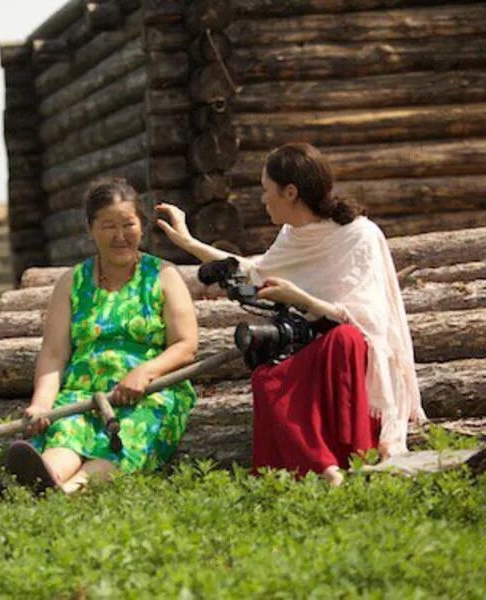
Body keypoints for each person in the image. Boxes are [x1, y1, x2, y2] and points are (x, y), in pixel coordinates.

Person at [156, 142, 425, 486]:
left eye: (267, 191)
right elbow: (254, 272)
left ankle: (355, 455)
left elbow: (367, 319)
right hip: (308, 345)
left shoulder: (359, 235)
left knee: (344, 339)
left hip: (353, 350)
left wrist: (300, 297)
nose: (263, 199)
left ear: (291, 192)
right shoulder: (292, 236)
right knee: (267, 378)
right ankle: (325, 468)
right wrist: (189, 242)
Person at [6, 178, 199, 494]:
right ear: (91, 229)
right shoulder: (72, 282)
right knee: (66, 432)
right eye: (108, 226)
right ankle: (45, 476)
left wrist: (144, 373)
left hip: (149, 393)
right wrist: (41, 404)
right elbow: (54, 355)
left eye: (128, 224)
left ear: (142, 225)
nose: (120, 236)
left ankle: (67, 493)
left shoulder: (163, 276)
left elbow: (186, 344)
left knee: (125, 439)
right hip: (82, 393)